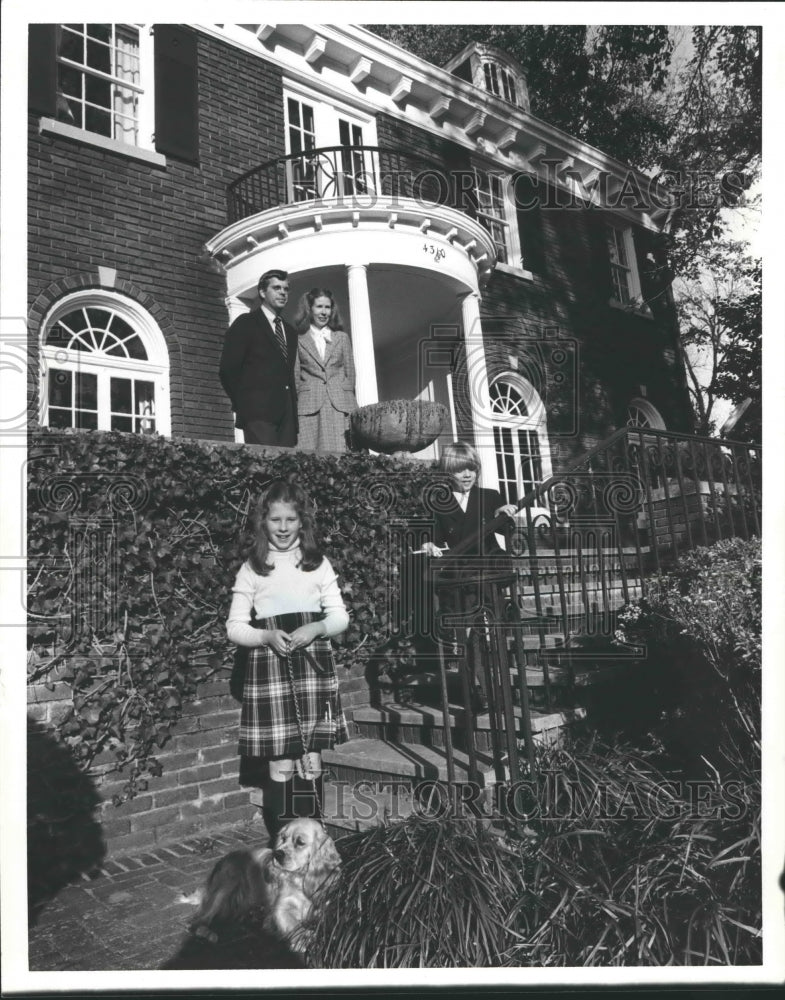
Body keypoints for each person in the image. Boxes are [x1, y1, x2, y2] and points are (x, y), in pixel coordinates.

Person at [226, 479, 350, 840]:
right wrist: (264, 635)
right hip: (270, 671)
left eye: (290, 520)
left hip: (313, 667)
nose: (283, 528)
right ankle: (283, 843)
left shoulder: (318, 564)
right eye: (275, 520)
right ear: (264, 522)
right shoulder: (253, 567)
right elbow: (234, 627)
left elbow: (340, 617)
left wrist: (317, 628)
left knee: (311, 760)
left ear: (302, 522)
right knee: (280, 760)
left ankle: (311, 842)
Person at [421, 441, 517, 709]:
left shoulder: (490, 497)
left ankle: (492, 693)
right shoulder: (438, 502)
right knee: (466, 639)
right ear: (448, 471)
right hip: (458, 580)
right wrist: (429, 544)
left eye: (471, 468)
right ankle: (477, 694)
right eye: (459, 469)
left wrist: (502, 516)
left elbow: (507, 531)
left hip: (487, 576)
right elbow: (434, 538)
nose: (466, 474)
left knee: (487, 635)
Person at [219, 269, 299, 446]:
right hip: (257, 414)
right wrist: (246, 404)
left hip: (287, 418)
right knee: (265, 469)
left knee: (288, 471)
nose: (282, 293)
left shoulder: (290, 331)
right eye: (276, 288)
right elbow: (228, 369)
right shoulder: (246, 323)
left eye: (286, 289)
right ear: (262, 292)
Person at [293, 288, 357, 452]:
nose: (323, 312)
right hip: (310, 407)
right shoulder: (298, 339)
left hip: (340, 405)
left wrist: (345, 399)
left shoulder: (341, 338)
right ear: (309, 309)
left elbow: (350, 375)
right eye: (319, 307)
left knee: (345, 455)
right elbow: (295, 376)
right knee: (312, 458)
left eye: (327, 307)